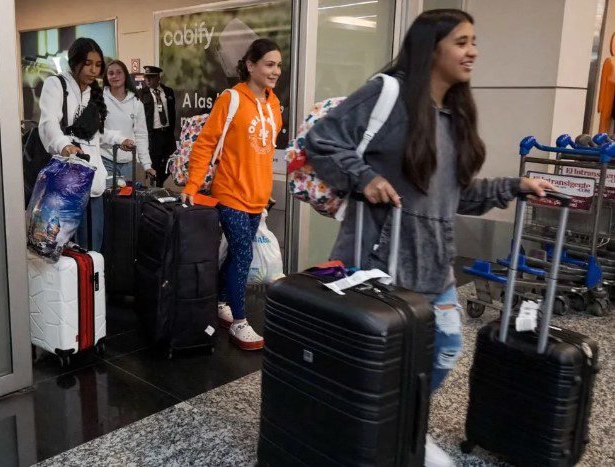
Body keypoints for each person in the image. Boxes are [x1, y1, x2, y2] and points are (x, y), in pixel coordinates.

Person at [304, 9, 555, 467]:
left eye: (474, 41)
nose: (472, 52)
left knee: (443, 349)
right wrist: (364, 178)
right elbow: (322, 140)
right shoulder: (388, 93)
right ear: (431, 48)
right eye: (461, 42)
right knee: (373, 361)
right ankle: (370, 437)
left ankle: (400, 429)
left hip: (434, 264)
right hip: (380, 261)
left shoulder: (454, 115)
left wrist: (513, 187)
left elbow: (457, 196)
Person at [181, 38, 283, 351]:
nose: (276, 71)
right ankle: (240, 321)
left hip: (257, 197)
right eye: (269, 64)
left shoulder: (273, 104)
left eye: (278, 65)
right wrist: (192, 185)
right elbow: (205, 144)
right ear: (250, 65)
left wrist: (265, 190)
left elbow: (264, 151)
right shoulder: (232, 99)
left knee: (238, 254)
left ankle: (221, 300)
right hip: (230, 194)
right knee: (242, 254)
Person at [38, 38, 126, 252]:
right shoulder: (56, 84)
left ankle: (91, 273)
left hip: (92, 180)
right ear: (74, 62)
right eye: (88, 64)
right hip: (66, 181)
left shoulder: (94, 93)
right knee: (58, 243)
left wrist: (119, 140)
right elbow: (49, 123)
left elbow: (95, 135)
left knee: (92, 244)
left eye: (98, 65)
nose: (94, 70)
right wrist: (63, 144)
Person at [102, 60, 156, 182]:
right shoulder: (99, 100)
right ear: (106, 77)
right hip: (104, 159)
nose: (115, 76)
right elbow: (96, 131)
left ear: (125, 75)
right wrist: (120, 140)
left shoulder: (136, 103)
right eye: (111, 73)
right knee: (109, 193)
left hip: (128, 162)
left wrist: (147, 165)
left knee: (126, 194)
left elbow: (141, 135)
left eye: (119, 72)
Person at [138, 65, 177, 185]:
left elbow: (172, 112)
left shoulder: (168, 91)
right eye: (146, 77)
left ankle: (160, 180)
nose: (148, 80)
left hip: (167, 133)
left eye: (151, 77)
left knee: (172, 159)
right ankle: (155, 185)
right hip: (153, 134)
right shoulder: (141, 94)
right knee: (154, 162)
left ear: (158, 78)